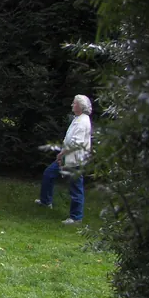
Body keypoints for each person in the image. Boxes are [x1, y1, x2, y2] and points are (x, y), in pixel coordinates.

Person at [35, 95, 92, 224]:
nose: (72, 105)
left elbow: (75, 143)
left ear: (80, 106)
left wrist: (61, 155)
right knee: (49, 174)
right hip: (68, 157)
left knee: (75, 187)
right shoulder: (77, 119)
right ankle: (45, 201)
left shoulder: (83, 122)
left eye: (74, 103)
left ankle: (76, 217)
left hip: (74, 160)